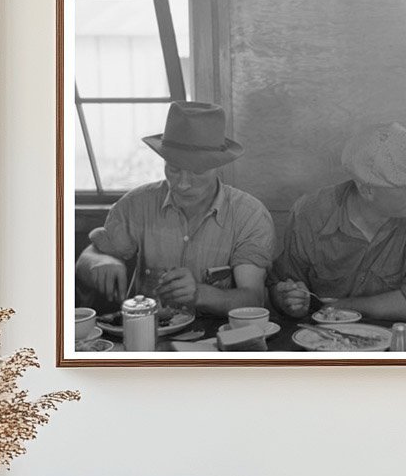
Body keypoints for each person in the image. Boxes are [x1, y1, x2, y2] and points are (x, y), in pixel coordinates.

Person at [75, 101, 275, 315]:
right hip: (146, 335)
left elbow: (254, 299)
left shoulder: (249, 216)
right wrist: (99, 261)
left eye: (197, 171)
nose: (183, 183)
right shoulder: (138, 203)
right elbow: (86, 259)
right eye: (173, 169)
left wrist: (199, 294)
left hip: (218, 339)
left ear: (218, 165)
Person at [270, 122, 406, 324]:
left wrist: (338, 307)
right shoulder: (310, 213)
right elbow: (281, 289)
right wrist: (289, 300)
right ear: (367, 190)